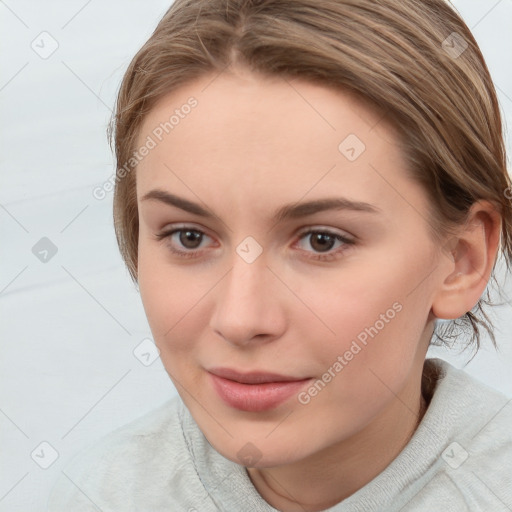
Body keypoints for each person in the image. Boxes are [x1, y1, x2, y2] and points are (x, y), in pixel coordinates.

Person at [47, 0, 512, 510]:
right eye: (189, 237)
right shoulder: (97, 495)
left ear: (461, 260)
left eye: (322, 241)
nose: (240, 320)